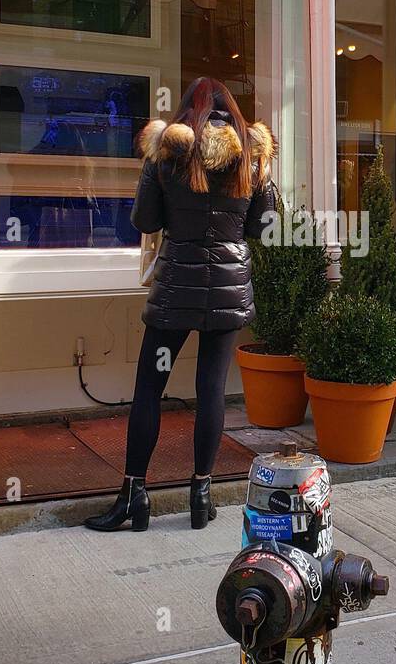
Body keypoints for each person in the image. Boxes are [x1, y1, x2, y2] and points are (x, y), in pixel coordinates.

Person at [85, 78, 276, 533]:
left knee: (150, 388)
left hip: (175, 290)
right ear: (231, 111)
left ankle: (134, 496)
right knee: (211, 389)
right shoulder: (250, 155)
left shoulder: (167, 154)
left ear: (187, 111)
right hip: (228, 291)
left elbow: (145, 220)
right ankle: (200, 495)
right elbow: (264, 227)